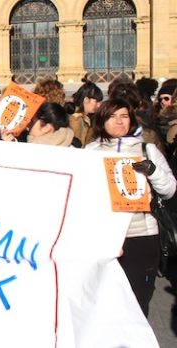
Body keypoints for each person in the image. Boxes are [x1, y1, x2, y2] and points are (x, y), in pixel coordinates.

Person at [85, 98, 177, 317]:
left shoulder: (147, 149)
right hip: (104, 236)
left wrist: (152, 171)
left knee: (138, 301)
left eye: (124, 116)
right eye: (112, 116)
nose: (119, 122)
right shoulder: (90, 151)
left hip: (141, 236)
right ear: (102, 120)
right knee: (103, 302)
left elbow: (170, 190)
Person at [1, 103, 80, 147]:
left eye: (32, 122)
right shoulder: (72, 146)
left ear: (46, 128)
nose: (28, 125)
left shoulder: (36, 150)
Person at [68, 81, 103, 147]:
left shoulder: (88, 118)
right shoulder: (76, 120)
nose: (99, 105)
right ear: (86, 100)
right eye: (97, 101)